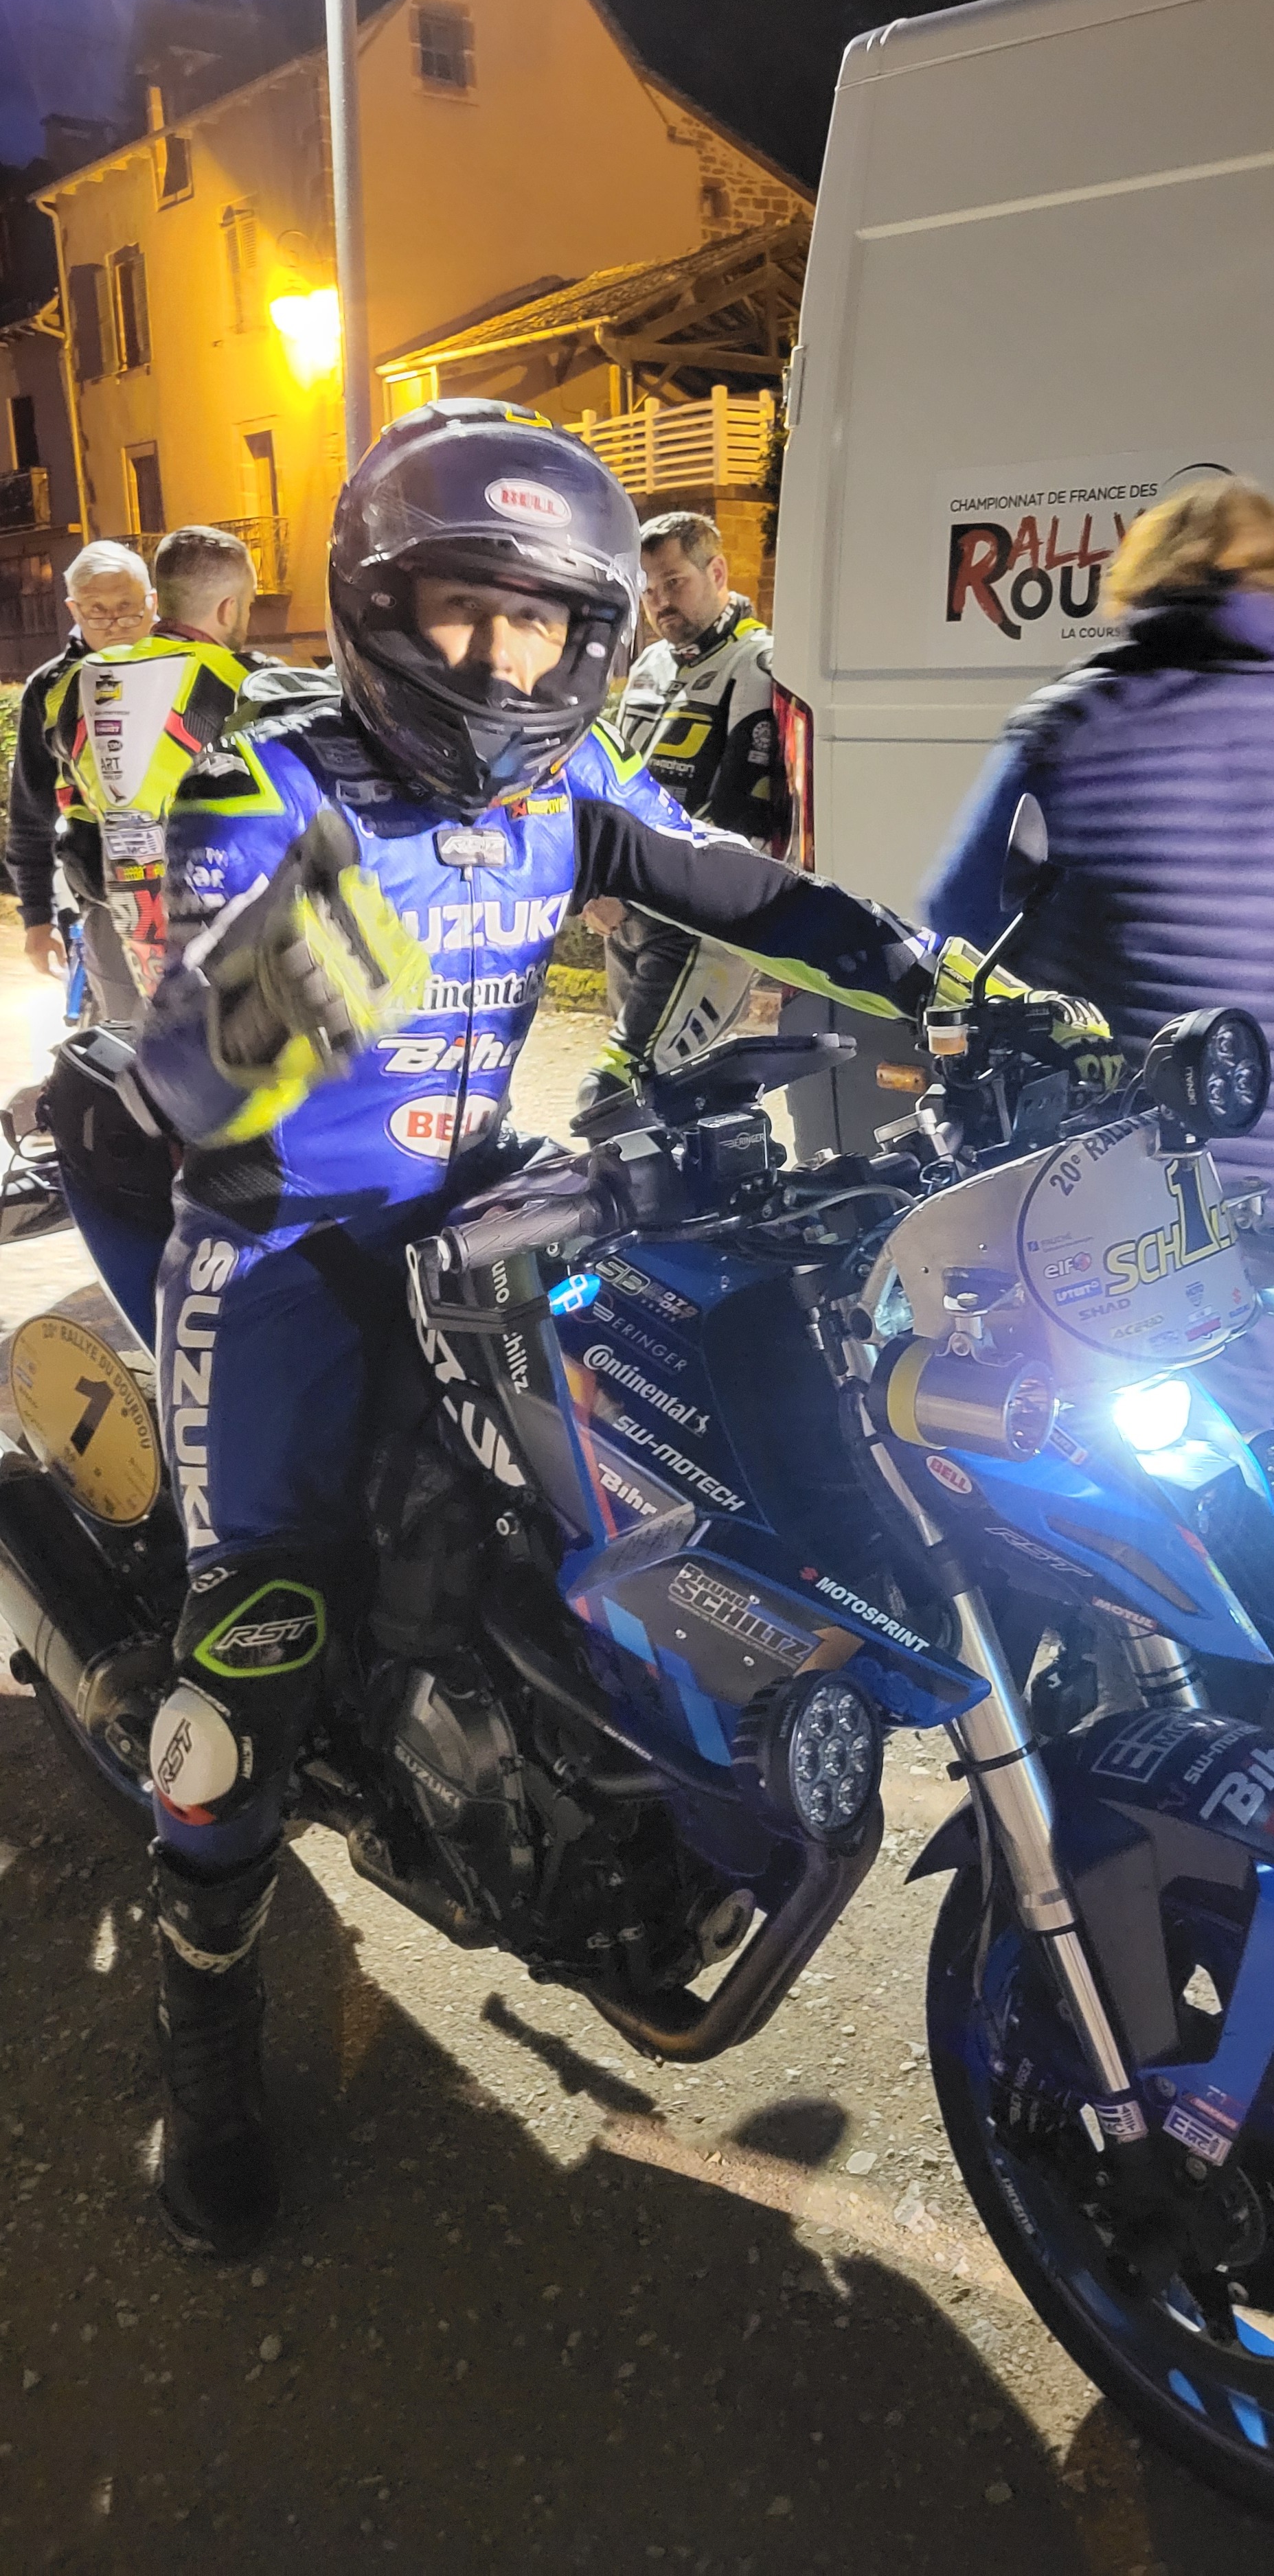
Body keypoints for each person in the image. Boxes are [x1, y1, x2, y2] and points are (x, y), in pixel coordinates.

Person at [125, 400, 1114, 2257]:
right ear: (379, 608)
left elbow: (749, 890)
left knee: (677, 1467)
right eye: (463, 613)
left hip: (488, 1194)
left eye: (543, 624)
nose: (502, 661)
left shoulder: (564, 781)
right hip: (280, 1251)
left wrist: (961, 989)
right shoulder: (270, 781)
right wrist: (315, 957)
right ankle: (206, 2046)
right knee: (252, 1643)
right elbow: (187, 1069)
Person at [923, 476, 1274, 1438]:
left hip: (1123, 1226)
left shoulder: (1077, 728)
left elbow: (956, 926)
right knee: (1258, 1479)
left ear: (1144, 582)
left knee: (1089, 1489)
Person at [573, 508, 785, 1120]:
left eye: (675, 582)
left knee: (617, 1097)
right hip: (629, 913)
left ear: (716, 573)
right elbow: (612, 784)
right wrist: (596, 882)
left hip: (697, 921)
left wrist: (627, 891)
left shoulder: (756, 662)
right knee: (668, 1108)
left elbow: (740, 815)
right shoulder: (650, 664)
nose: (661, 602)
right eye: (648, 589)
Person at [41, 526, 261, 1015]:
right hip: (224, 943)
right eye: (247, 604)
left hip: (120, 937)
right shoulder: (248, 684)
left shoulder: (72, 683)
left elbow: (70, 803)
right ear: (229, 608)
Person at [6, 541, 155, 1020]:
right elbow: (30, 811)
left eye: (127, 608)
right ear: (73, 610)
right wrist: (37, 918)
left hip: (201, 886)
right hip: (105, 901)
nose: (114, 624)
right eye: (96, 610)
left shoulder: (192, 670)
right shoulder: (49, 690)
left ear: (152, 601)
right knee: (128, 1036)